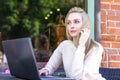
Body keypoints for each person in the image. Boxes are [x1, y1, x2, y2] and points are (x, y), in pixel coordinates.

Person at [39, 7, 106, 80]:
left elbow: (77, 76)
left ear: (84, 25)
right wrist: (46, 70)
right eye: (68, 23)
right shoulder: (65, 45)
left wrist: (81, 46)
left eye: (76, 22)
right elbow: (51, 66)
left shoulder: (95, 48)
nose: (72, 26)